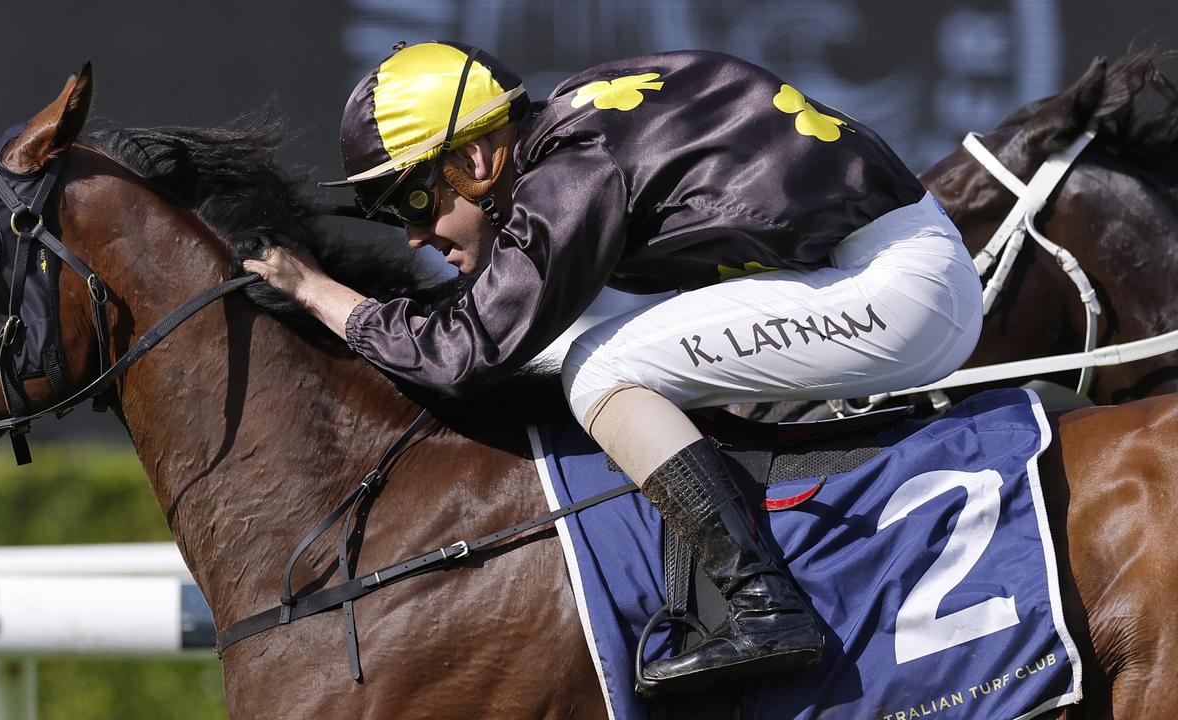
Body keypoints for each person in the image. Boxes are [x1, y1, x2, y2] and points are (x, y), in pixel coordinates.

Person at [244, 41, 983, 692]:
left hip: (898, 286)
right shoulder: (572, 128)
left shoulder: (572, 172)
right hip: (878, 263)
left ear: (474, 159)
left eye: (412, 200)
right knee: (594, 357)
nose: (412, 237)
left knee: (600, 367)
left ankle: (764, 604)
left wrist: (316, 291)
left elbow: (460, 355)